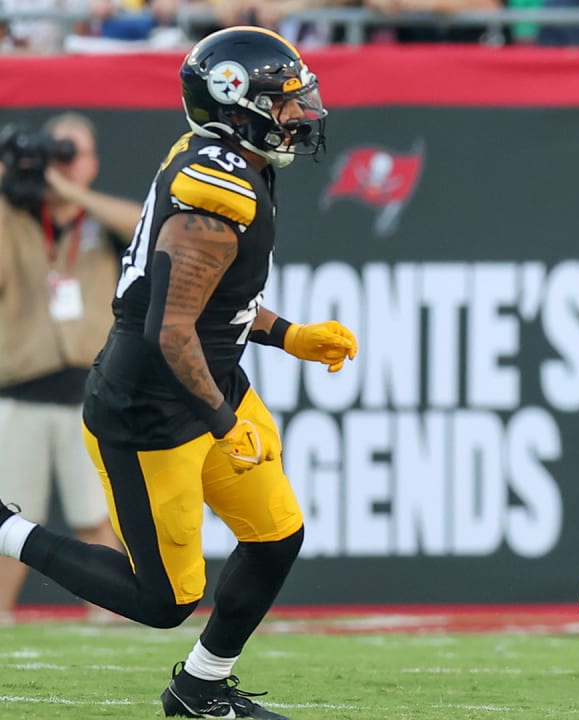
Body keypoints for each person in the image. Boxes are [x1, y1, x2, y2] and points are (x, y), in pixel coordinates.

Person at [0, 26, 357, 720]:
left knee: (277, 532)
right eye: (284, 102)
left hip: (207, 380)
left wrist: (287, 335)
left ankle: (199, 690)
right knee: (165, 599)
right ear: (237, 104)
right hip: (150, 408)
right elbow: (171, 328)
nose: (301, 112)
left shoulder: (237, 164)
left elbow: (217, 301)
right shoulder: (215, 195)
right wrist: (224, 426)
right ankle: (8, 530)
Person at [0, 112, 139, 623]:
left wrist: (69, 191)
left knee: (95, 519)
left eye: (70, 154)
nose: (59, 164)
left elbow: (145, 224)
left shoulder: (99, 220)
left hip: (90, 394)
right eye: (54, 154)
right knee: (9, 523)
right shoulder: (13, 216)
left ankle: (115, 621)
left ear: (91, 164)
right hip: (21, 391)